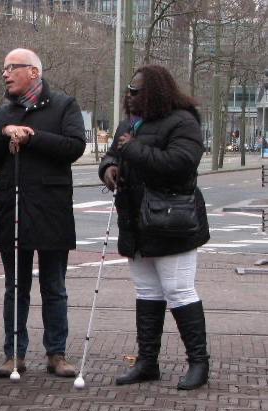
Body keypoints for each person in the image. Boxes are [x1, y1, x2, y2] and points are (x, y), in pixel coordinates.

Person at [99, 64, 210, 390]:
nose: (130, 96)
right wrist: (109, 169)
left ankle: (198, 362)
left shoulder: (183, 122)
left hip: (172, 220)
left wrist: (132, 149)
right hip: (136, 221)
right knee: (147, 291)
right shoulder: (128, 125)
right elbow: (110, 156)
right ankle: (147, 361)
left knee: (179, 290)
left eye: (136, 91)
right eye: (129, 91)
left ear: (155, 93)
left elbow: (180, 164)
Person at [0, 48, 86, 379]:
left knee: (54, 285)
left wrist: (32, 137)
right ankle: (14, 354)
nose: (5, 74)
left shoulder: (64, 105)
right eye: (4, 68)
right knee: (15, 286)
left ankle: (56, 353)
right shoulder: (1, 114)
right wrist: (3, 135)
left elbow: (74, 147)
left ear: (34, 73)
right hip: (13, 209)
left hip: (52, 209)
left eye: (13, 68)